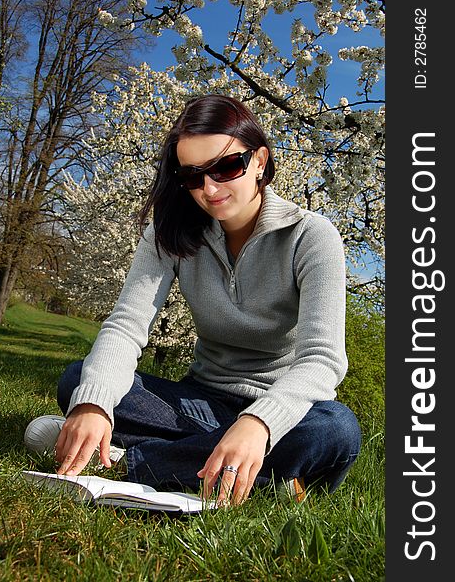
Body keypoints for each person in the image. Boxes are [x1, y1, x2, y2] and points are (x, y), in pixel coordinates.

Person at [24, 94, 361, 506]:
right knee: (80, 381)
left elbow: (322, 359)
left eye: (226, 166)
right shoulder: (171, 232)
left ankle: (131, 463)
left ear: (259, 161)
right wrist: (94, 404)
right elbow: (127, 325)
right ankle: (261, 475)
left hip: (285, 410)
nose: (210, 188)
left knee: (336, 428)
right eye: (193, 176)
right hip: (199, 401)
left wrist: (258, 422)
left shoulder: (311, 236)